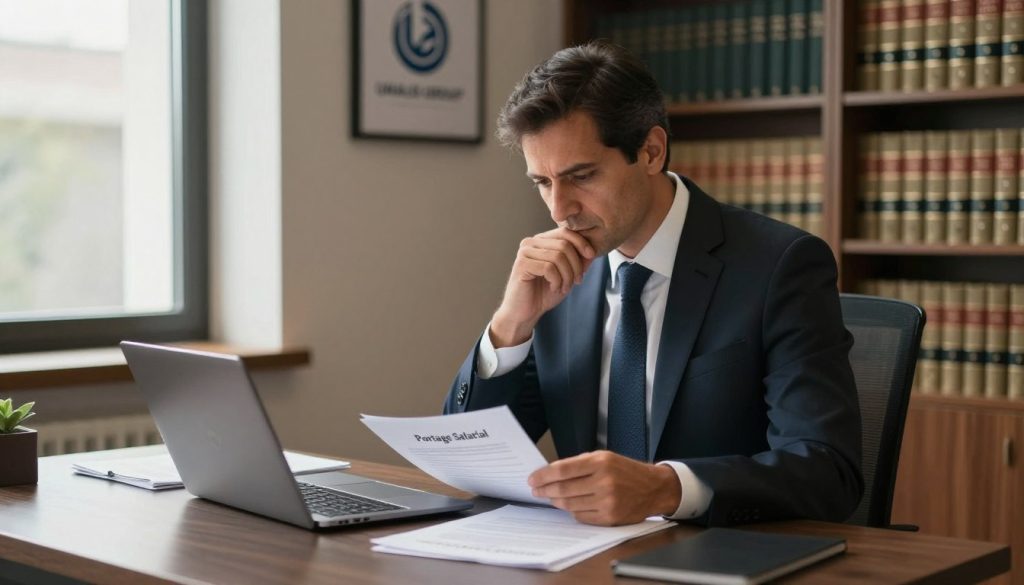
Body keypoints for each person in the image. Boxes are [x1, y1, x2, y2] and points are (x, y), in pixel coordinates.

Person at [443, 42, 862, 527]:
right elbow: (468, 460)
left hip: (719, 556)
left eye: (581, 176)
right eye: (542, 182)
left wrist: (666, 488)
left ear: (650, 151)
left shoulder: (780, 266)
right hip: (581, 561)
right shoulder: (556, 278)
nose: (560, 209)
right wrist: (510, 327)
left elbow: (828, 470)